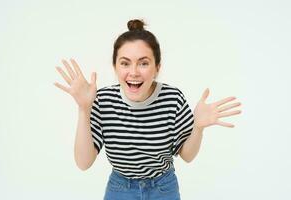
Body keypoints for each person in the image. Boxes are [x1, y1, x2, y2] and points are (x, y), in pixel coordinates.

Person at [54, 19, 242, 200]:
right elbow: (83, 163)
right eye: (125, 63)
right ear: (115, 67)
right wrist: (84, 109)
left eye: (143, 63)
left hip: (163, 188)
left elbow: (187, 155)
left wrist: (198, 127)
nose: (134, 72)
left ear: (157, 67)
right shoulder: (103, 100)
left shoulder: (172, 98)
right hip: (120, 188)